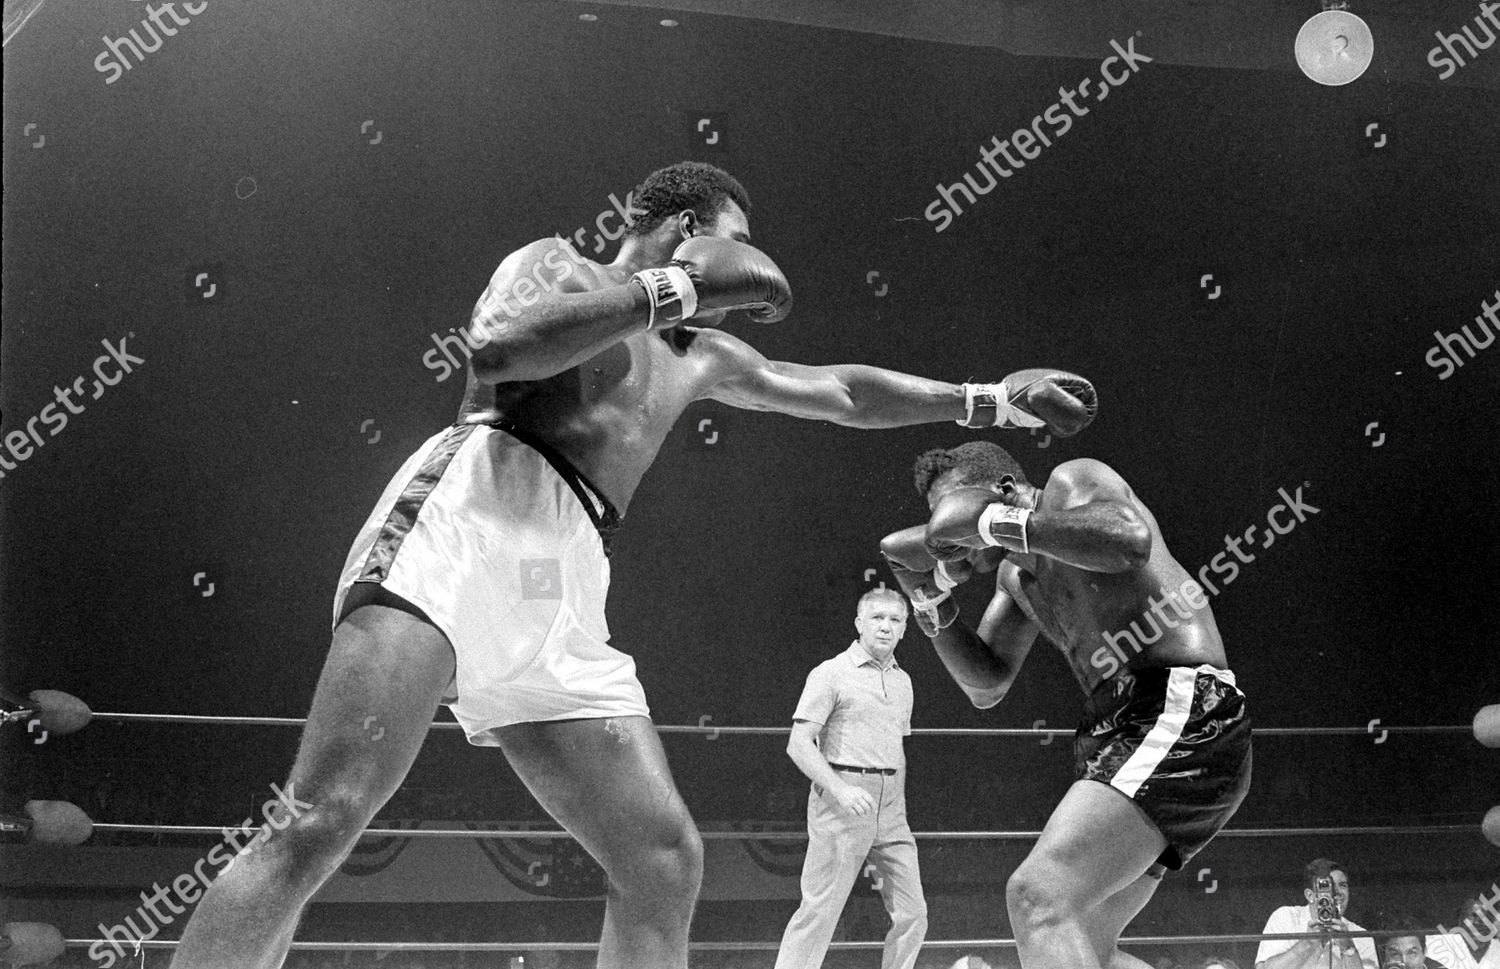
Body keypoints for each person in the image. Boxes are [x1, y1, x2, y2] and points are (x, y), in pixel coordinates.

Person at [168, 161, 1097, 969]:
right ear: (688, 231)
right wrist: (675, 289)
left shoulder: (700, 356)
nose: (742, 270)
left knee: (661, 859)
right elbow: (498, 348)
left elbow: (842, 391)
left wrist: (984, 400)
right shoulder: (554, 265)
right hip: (473, 514)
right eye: (734, 244)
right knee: (323, 816)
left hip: (567, 577)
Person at [878, 441, 1251, 969]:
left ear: (1004, 491)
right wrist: (928, 599)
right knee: (1087, 946)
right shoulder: (1016, 577)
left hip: (1178, 708)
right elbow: (986, 684)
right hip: (1118, 731)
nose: (948, 535)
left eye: (952, 511)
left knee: (1038, 895)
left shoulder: (1071, 483)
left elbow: (1129, 541)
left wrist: (994, 523)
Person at [775, 588, 926, 969]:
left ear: (905, 629)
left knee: (914, 913)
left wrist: (896, 804)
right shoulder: (831, 673)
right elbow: (799, 743)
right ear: (859, 623)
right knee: (820, 912)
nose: (885, 627)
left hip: (890, 808)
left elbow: (897, 748)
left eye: (895, 620)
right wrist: (840, 790)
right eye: (877, 618)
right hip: (841, 800)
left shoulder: (904, 681)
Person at [1253, 860, 1376, 969]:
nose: (1338, 892)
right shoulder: (1285, 918)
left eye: (1343, 885)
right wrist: (1307, 943)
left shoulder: (1362, 937)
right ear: (1310, 895)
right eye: (1329, 886)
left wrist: (1348, 947)